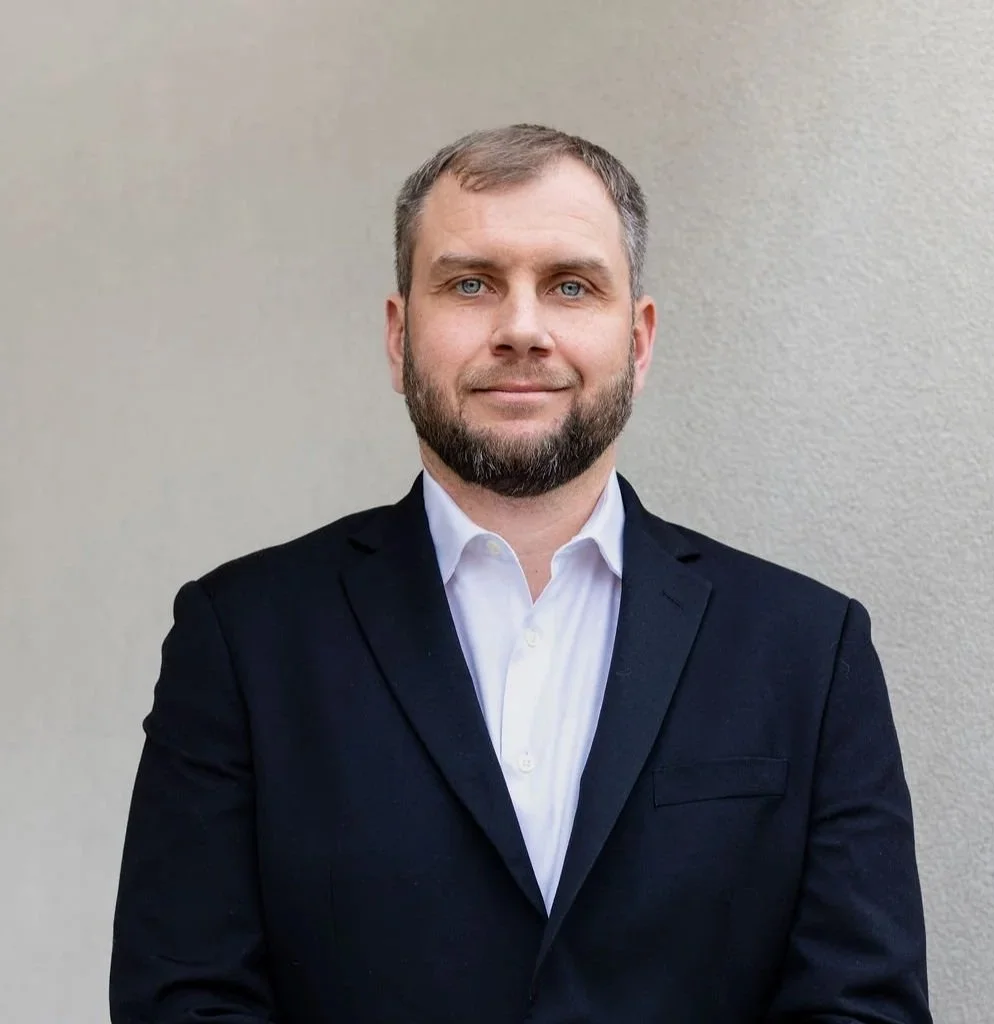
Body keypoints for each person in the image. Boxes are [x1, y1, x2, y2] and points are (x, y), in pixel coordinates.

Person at [110, 124, 931, 1023]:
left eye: (571, 286)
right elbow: (183, 1001)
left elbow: (862, 1009)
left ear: (640, 338)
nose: (522, 329)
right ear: (398, 335)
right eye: (471, 284)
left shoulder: (810, 651)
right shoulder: (241, 637)